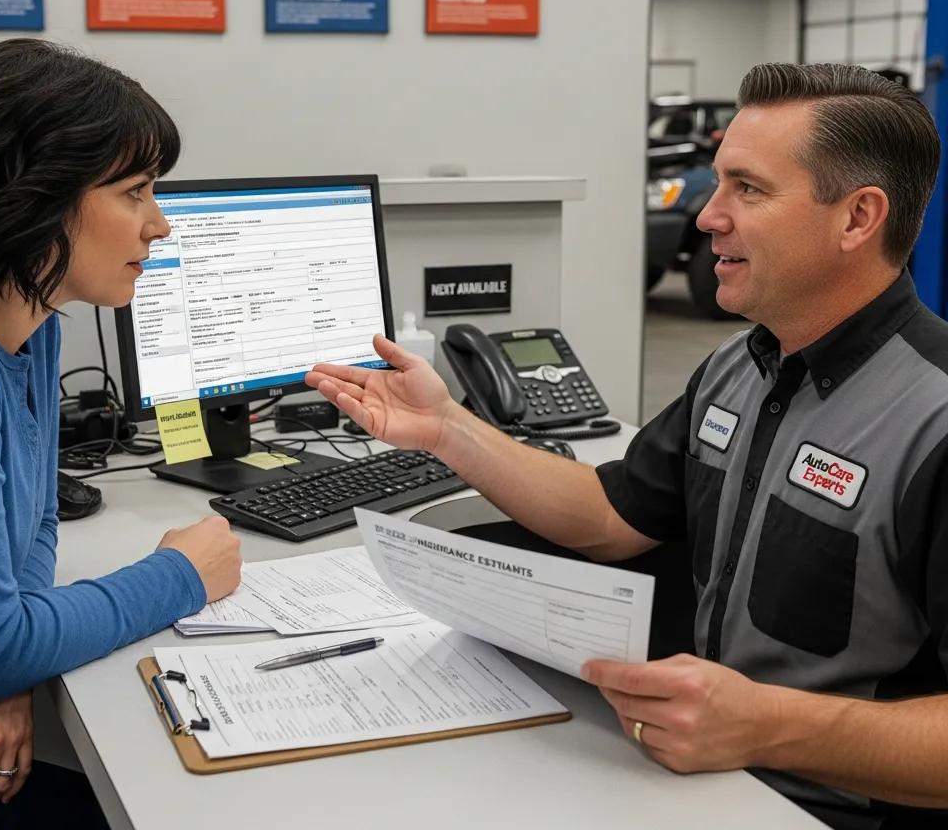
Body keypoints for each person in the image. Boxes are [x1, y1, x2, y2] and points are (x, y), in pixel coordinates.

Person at [307, 63, 948, 830]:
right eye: (719, 183)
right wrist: (448, 427)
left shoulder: (933, 420)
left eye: (748, 189)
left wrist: (766, 726)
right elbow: (610, 516)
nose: (708, 217)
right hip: (701, 778)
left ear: (857, 218)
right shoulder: (738, 368)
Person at [0, 39, 243, 830]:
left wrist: (2, 661)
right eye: (135, 192)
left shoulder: (31, 314)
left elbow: (36, 523)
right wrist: (181, 573)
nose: (159, 225)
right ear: (34, 193)